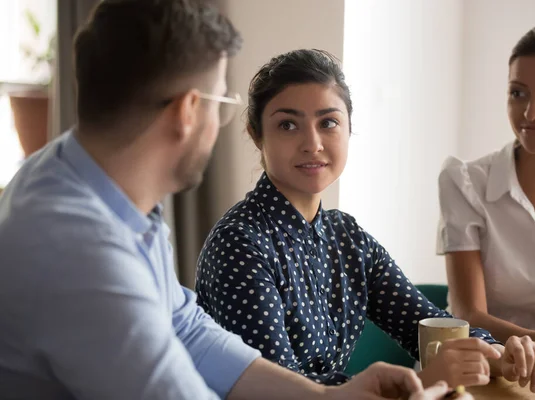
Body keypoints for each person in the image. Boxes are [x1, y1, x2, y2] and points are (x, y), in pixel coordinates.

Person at [0, 1, 463, 399]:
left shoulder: (89, 186)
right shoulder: (80, 253)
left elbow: (191, 331)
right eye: (222, 103)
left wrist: (328, 395)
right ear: (188, 110)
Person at [196, 49, 535, 394]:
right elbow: (277, 390)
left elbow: (424, 325)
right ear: (256, 133)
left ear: (349, 129)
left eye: (329, 122)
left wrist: (501, 355)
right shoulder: (239, 244)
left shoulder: (347, 237)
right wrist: (422, 382)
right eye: (288, 125)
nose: (313, 143)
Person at [437, 22, 535, 361]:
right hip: (477, 362)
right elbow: (469, 315)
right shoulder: (464, 182)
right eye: (518, 92)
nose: (530, 112)